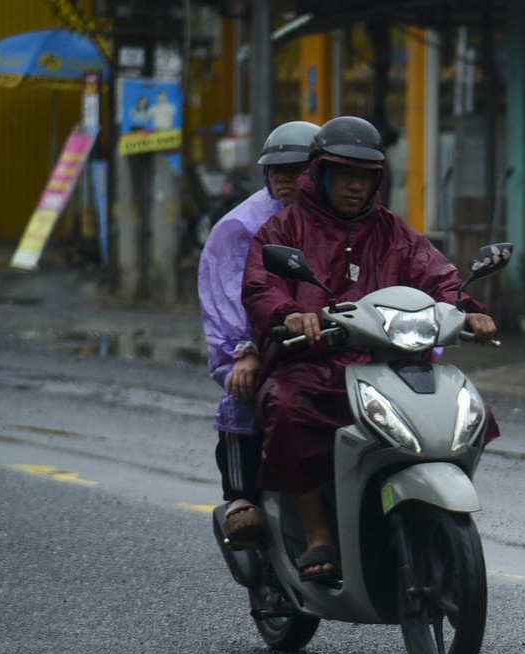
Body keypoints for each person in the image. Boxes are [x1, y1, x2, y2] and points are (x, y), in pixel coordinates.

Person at [243, 116, 500, 585]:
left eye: (364, 177)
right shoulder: (284, 229)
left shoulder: (393, 231)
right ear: (319, 173)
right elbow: (262, 285)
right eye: (344, 175)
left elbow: (438, 276)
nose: (355, 187)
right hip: (312, 362)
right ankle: (319, 533)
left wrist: (469, 309)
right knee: (289, 405)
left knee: (463, 407)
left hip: (388, 362)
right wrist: (289, 314)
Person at [197, 119, 316, 546]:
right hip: (268, 343)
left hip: (334, 343)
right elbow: (232, 293)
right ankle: (240, 497)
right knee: (245, 392)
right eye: (278, 170)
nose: (287, 179)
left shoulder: (346, 217)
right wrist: (244, 351)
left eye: (299, 169)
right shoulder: (243, 226)